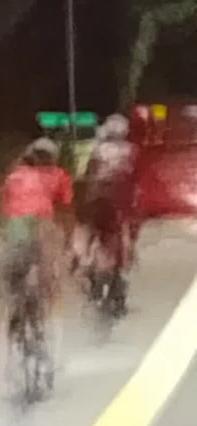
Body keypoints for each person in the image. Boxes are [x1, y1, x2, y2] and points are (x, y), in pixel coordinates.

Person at [0, 137, 73, 330]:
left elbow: (2, 203)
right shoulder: (57, 175)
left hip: (15, 227)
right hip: (42, 224)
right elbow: (66, 205)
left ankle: (15, 307)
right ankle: (51, 311)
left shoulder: (14, 174)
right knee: (48, 272)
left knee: (15, 271)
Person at [83, 113, 136, 307]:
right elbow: (136, 179)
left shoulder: (98, 150)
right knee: (124, 237)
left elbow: (88, 176)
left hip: (95, 204)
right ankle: (119, 275)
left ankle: (87, 265)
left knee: (91, 234)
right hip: (119, 206)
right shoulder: (131, 150)